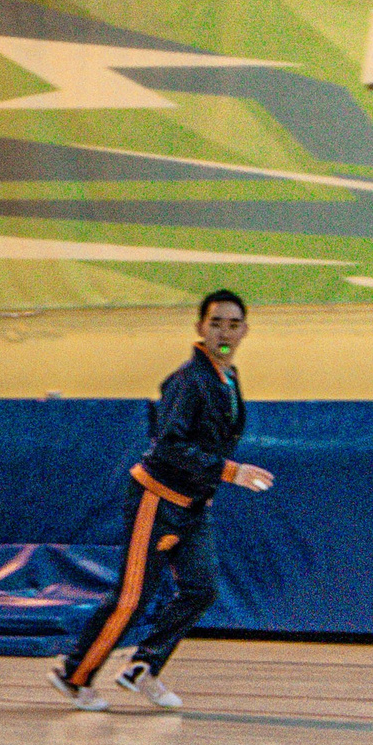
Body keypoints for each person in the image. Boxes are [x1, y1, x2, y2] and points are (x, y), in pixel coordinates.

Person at [50, 289, 272, 712]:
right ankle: (73, 675)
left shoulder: (228, 377)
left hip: (192, 505)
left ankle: (143, 666)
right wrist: (231, 472)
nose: (224, 330)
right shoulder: (187, 381)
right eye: (215, 322)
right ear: (199, 328)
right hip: (157, 498)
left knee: (201, 588)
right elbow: (169, 446)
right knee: (133, 596)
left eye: (232, 323)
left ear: (244, 330)